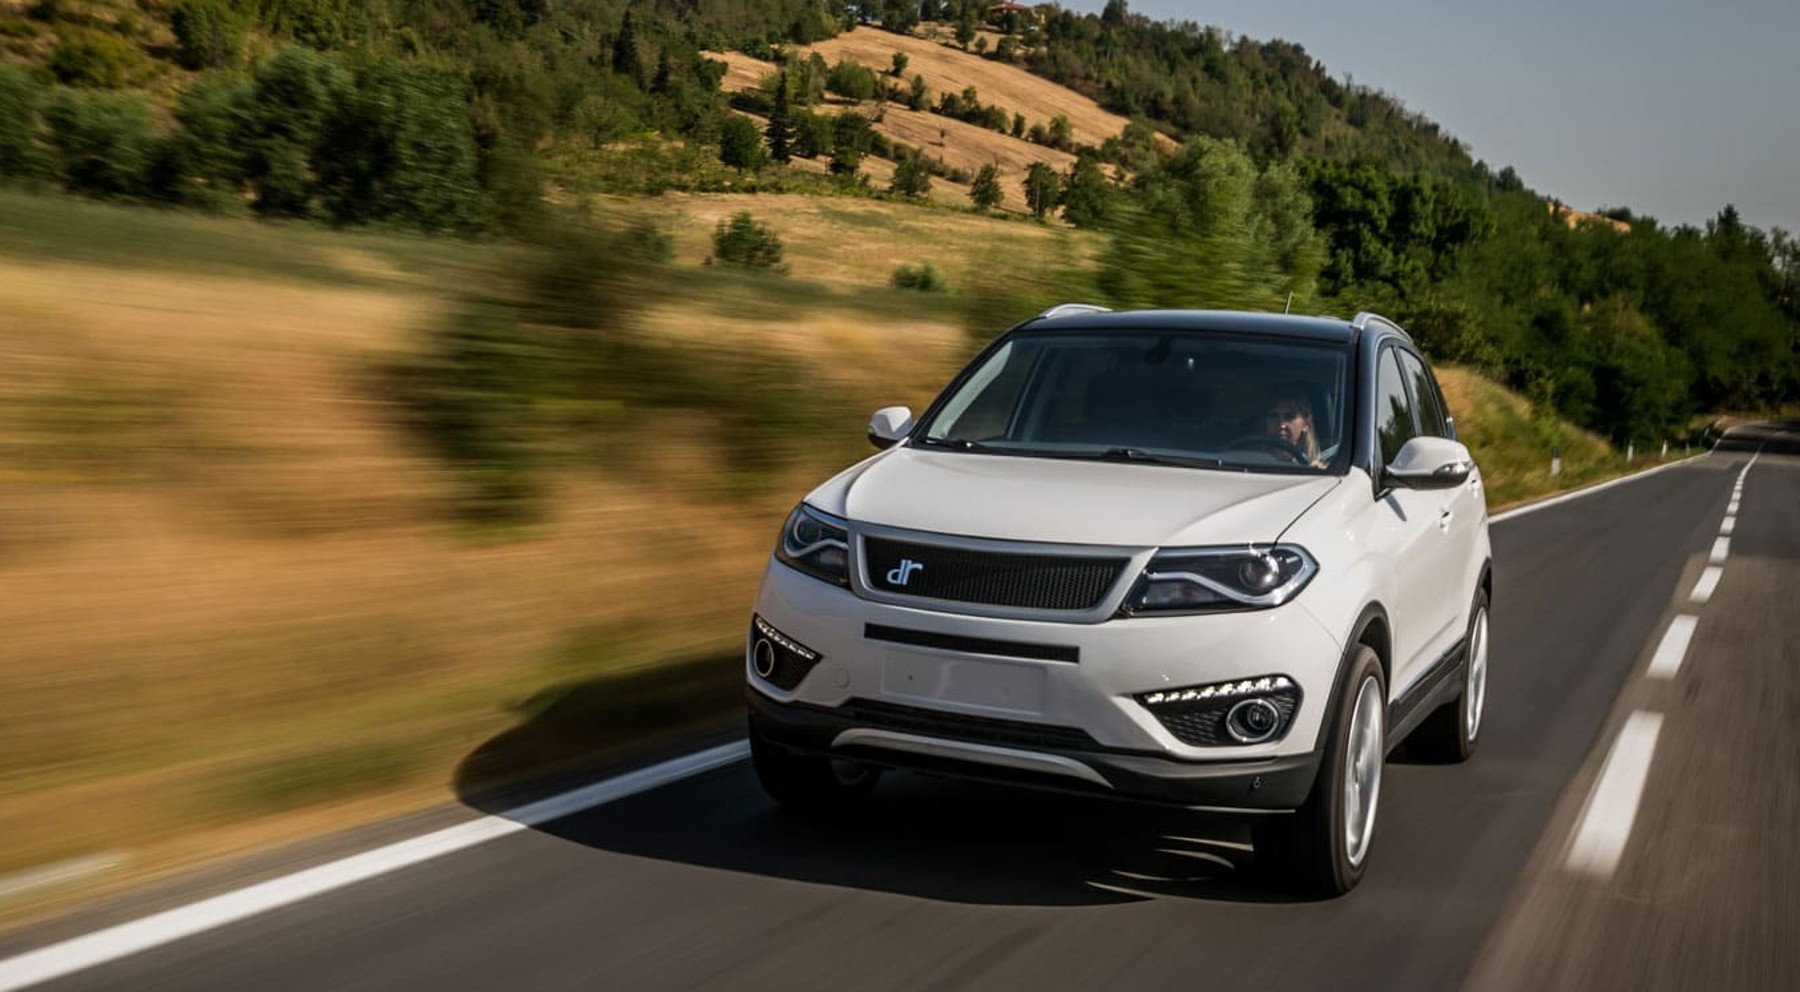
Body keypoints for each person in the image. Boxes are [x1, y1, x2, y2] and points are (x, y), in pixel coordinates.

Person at [1263, 388, 1323, 466]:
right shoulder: (1250, 461)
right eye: (1274, 416)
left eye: (1289, 416)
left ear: (1306, 423)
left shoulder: (1317, 467)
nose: (1281, 425)